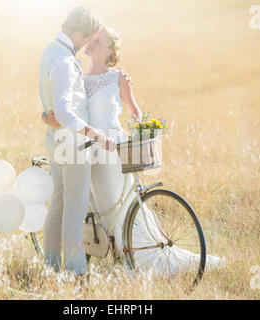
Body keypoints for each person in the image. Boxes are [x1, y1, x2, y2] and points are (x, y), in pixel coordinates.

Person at [42, 26, 226, 276]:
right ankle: (112, 253)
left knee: (122, 204)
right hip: (90, 151)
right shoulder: (78, 80)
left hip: (115, 151)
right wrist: (49, 117)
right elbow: (69, 111)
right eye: (91, 39)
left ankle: (138, 256)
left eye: (98, 40)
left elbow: (134, 112)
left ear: (109, 50)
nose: (92, 42)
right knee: (99, 208)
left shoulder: (118, 78)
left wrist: (144, 132)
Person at [38, 7, 116, 279]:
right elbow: (63, 110)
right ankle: (76, 274)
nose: (86, 44)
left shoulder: (50, 50)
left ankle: (50, 267)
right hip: (74, 147)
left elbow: (51, 106)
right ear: (79, 33)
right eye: (87, 38)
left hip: (56, 142)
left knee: (57, 207)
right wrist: (96, 134)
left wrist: (46, 115)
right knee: (74, 212)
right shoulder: (65, 62)